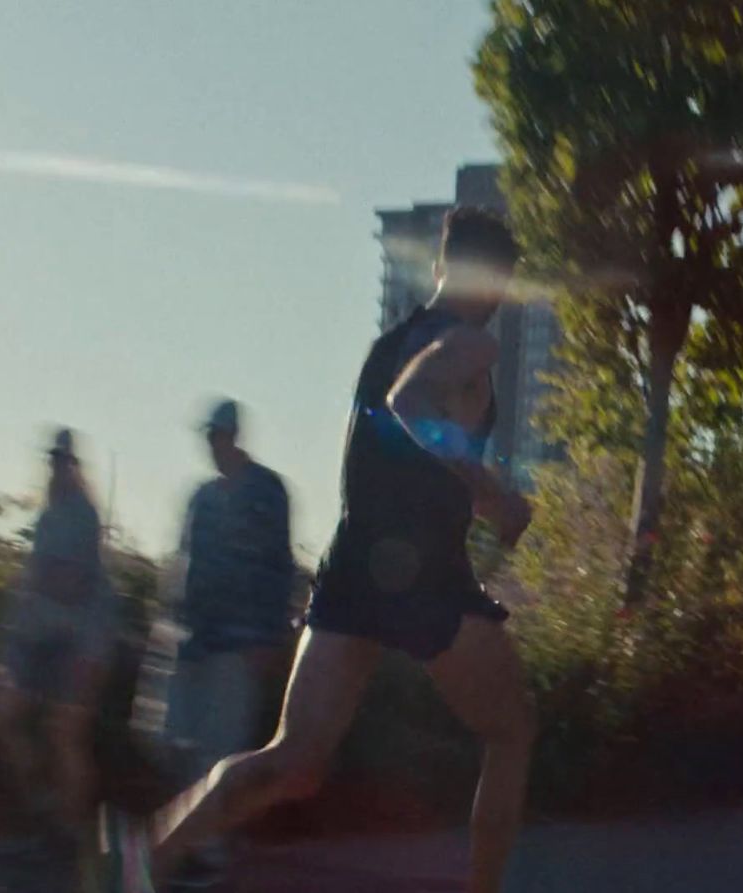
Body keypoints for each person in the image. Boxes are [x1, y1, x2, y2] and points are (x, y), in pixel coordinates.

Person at [107, 208, 536, 893]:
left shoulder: (388, 341)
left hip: (356, 568)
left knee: (295, 760)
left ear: (439, 266)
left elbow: (391, 440)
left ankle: (144, 855)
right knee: (510, 733)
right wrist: (496, 494)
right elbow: (412, 402)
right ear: (498, 280)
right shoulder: (470, 345)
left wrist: (472, 492)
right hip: (422, 572)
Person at [161, 399, 295, 887]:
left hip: (241, 640)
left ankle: (209, 855)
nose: (213, 444)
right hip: (195, 638)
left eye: (219, 435)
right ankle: (198, 840)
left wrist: (270, 634)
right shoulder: (202, 496)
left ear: (233, 435)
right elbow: (182, 558)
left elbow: (279, 564)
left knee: (218, 751)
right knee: (172, 740)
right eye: (208, 436)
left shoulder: (266, 490)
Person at [0, 429, 118, 845]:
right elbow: (33, 587)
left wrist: (39, 580)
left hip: (83, 639)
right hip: (42, 638)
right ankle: (41, 797)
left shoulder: (83, 514)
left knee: (66, 732)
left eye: (63, 460)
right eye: (52, 460)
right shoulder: (47, 516)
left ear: (73, 465)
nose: (56, 467)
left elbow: (73, 582)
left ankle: (74, 831)